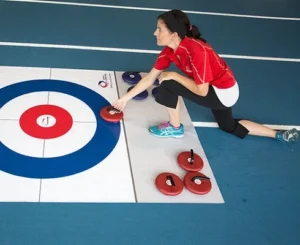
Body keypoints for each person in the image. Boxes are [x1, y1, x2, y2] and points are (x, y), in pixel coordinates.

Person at [112, 9, 299, 143]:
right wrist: (125, 99)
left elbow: (201, 91)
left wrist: (174, 77)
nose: (155, 33)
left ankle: (175, 128)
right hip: (223, 89)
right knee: (228, 126)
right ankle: (278, 134)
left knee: (168, 83)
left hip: (223, 92)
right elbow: (150, 77)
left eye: (159, 29)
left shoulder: (196, 50)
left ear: (174, 34)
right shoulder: (170, 51)